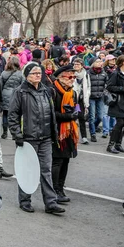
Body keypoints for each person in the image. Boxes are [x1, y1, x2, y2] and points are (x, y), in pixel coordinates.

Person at [8, 62, 65, 214]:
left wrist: (53, 133)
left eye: (39, 72)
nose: (38, 75)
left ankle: (50, 203)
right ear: (27, 75)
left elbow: (51, 113)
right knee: (27, 170)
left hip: (45, 137)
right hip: (28, 138)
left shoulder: (46, 91)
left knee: (46, 170)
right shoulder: (20, 92)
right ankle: (25, 200)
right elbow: (12, 115)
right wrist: (17, 134)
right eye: (34, 73)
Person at [51, 65, 80, 203]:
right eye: (69, 77)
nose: (72, 79)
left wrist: (78, 113)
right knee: (57, 160)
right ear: (61, 78)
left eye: (74, 77)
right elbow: (50, 114)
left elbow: (78, 106)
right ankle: (54, 189)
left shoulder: (73, 92)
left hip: (69, 130)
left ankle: (61, 188)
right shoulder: (53, 91)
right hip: (56, 130)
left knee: (66, 160)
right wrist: (68, 116)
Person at [106, 55, 124, 153]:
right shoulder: (115, 73)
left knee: (123, 123)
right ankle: (111, 145)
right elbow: (110, 87)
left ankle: (118, 144)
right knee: (120, 123)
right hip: (118, 102)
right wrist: (123, 88)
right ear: (123, 62)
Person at [0, 57, 23, 139]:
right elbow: (23, 86)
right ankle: (15, 133)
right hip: (16, 95)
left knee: (5, 114)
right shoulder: (20, 74)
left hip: (5, 94)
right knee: (16, 115)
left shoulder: (4, 73)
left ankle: (5, 132)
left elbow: (0, 85)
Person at [88, 58, 107, 143]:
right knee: (91, 116)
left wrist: (105, 92)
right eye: (97, 62)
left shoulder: (104, 73)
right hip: (91, 97)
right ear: (93, 63)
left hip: (100, 97)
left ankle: (94, 127)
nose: (100, 63)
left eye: (100, 61)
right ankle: (93, 134)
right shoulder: (88, 73)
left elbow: (107, 84)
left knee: (100, 116)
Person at [72, 58, 90, 145]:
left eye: (78, 64)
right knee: (73, 117)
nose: (76, 66)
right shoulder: (71, 73)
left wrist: (87, 97)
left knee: (81, 118)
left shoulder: (86, 74)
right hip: (73, 98)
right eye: (75, 64)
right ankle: (73, 135)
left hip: (81, 99)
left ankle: (84, 137)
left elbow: (88, 87)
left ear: (82, 66)